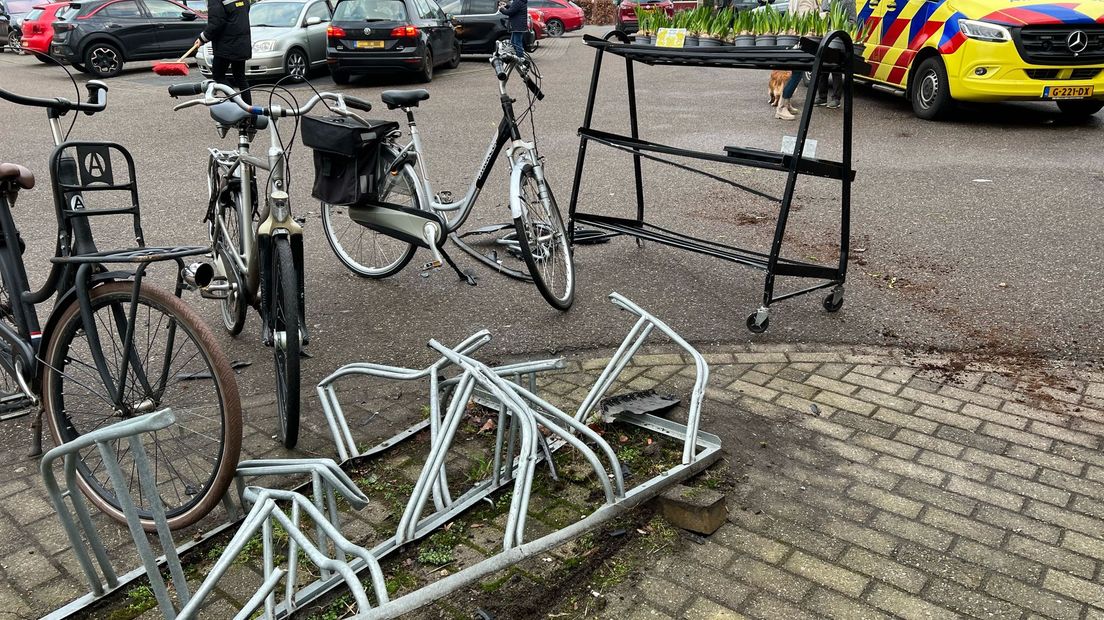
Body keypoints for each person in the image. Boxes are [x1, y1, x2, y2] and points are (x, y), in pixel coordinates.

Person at [195, 0, 256, 104]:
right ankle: (248, 111)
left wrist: (202, 38)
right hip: (241, 42)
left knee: (218, 76)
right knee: (240, 77)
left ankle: (236, 104)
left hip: (225, 45)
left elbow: (216, 23)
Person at [775, 0, 818, 120]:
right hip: (801, 40)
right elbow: (805, 16)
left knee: (797, 73)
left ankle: (786, 103)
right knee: (797, 72)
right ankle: (781, 107)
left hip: (798, 39)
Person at [816, 0, 857, 108]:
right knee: (822, 67)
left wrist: (839, 24)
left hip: (838, 39)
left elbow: (853, 20)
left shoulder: (848, 1)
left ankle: (836, 98)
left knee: (835, 69)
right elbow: (821, 13)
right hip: (824, 37)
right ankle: (822, 97)